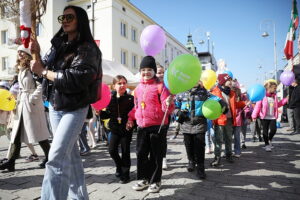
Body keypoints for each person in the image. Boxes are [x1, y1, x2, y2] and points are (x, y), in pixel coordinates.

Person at [30, 5, 102, 200]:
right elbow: (41, 75)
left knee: (55, 158)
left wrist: (44, 71)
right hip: (55, 106)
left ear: (80, 20)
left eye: (70, 17)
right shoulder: (57, 46)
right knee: (70, 157)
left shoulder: (88, 48)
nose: (65, 20)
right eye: (63, 17)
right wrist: (36, 57)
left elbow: (77, 78)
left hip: (76, 107)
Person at [0, 45, 51, 172]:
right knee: (16, 134)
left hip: (31, 105)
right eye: (18, 52)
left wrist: (32, 99)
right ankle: (11, 161)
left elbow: (41, 85)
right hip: (22, 103)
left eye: (22, 52)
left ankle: (50, 157)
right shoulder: (21, 68)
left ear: (28, 54)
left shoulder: (34, 66)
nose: (20, 54)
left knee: (39, 134)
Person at [127, 56, 174, 193]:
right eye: (143, 69)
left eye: (149, 69)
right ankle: (143, 179)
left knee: (156, 155)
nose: (146, 72)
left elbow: (168, 109)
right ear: (140, 71)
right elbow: (136, 107)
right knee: (141, 154)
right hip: (142, 126)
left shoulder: (161, 87)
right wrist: (131, 118)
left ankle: (155, 181)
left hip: (157, 126)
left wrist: (168, 103)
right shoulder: (138, 88)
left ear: (154, 71)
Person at [175, 80, 226, 179]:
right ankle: (191, 161)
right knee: (188, 145)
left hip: (200, 123)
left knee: (199, 147)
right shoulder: (181, 93)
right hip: (186, 123)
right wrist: (178, 112)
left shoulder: (204, 92)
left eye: (197, 78)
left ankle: (201, 168)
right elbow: (175, 106)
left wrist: (222, 103)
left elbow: (216, 99)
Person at [101, 75, 134, 184]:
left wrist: (132, 121)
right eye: (119, 83)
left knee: (125, 151)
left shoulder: (130, 99)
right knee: (112, 150)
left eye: (124, 83)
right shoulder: (110, 98)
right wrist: (100, 112)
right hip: (114, 128)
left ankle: (125, 174)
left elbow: (134, 113)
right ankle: (119, 166)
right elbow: (106, 115)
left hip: (126, 129)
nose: (122, 85)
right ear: (114, 85)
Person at [210, 73, 246, 167]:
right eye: (228, 80)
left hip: (229, 119)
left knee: (229, 138)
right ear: (222, 82)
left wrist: (243, 103)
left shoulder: (232, 93)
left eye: (230, 80)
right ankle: (217, 158)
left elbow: (234, 105)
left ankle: (228, 155)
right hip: (220, 120)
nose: (230, 82)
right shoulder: (215, 92)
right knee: (219, 139)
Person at [252, 80, 288, 152]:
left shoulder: (274, 96)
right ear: (269, 88)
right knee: (265, 131)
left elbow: (278, 104)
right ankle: (267, 145)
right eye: (274, 88)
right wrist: (254, 116)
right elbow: (258, 106)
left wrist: (285, 100)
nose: (275, 90)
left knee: (273, 130)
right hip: (264, 117)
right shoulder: (262, 96)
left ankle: (269, 139)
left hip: (272, 117)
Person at [156, 64, 169, 170]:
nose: (161, 74)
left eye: (162, 72)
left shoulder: (168, 84)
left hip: (164, 116)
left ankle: (163, 158)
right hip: (153, 117)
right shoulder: (151, 84)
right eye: (159, 72)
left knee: (162, 138)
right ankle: (155, 158)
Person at [289, 66, 300, 135]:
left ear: (295, 82)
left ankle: (298, 130)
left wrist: (292, 103)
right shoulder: (294, 88)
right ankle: (296, 129)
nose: (291, 83)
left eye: (292, 82)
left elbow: (297, 98)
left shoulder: (298, 88)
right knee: (294, 118)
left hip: (297, 106)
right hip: (294, 106)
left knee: (297, 118)